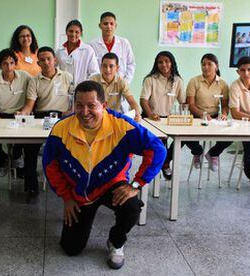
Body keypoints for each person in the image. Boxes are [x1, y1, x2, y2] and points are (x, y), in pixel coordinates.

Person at [42, 80, 165, 269]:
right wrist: (66, 197)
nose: (84, 112)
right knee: (71, 248)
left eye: (92, 105)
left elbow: (157, 149)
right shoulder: (61, 128)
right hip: (79, 193)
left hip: (112, 185)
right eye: (79, 105)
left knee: (132, 207)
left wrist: (136, 184)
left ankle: (116, 242)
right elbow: (50, 165)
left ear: (104, 105)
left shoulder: (122, 126)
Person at [18, 46, 73, 203]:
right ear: (38, 63)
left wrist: (70, 112)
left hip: (64, 117)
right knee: (29, 150)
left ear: (55, 60)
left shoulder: (67, 77)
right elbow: (29, 105)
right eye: (42, 60)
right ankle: (31, 188)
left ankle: (70, 186)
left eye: (49, 59)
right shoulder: (34, 81)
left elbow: (74, 101)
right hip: (41, 117)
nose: (46, 62)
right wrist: (22, 114)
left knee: (71, 150)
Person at [0, 48, 31, 177]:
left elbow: (34, 91)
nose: (9, 66)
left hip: (20, 114)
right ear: (0, 65)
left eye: (11, 63)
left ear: (15, 64)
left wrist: (24, 112)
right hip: (1, 115)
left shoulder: (25, 76)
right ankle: (2, 160)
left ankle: (17, 158)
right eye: (5, 63)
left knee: (23, 138)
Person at [140, 51, 184, 179]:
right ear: (156, 64)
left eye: (167, 61)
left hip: (170, 119)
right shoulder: (150, 79)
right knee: (159, 147)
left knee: (182, 139)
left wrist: (181, 116)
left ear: (172, 63)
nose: (163, 64)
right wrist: (151, 114)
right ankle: (159, 167)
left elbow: (183, 102)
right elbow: (143, 100)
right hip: (152, 118)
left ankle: (165, 161)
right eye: (160, 62)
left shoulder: (178, 80)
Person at [185, 53, 231, 172]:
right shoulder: (194, 81)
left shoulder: (223, 84)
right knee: (185, 137)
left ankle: (213, 154)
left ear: (217, 66)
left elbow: (225, 105)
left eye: (209, 64)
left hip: (215, 118)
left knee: (231, 136)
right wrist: (203, 115)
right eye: (203, 64)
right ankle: (197, 152)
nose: (206, 67)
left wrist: (224, 114)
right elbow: (191, 104)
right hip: (196, 116)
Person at [90, 53, 140, 121]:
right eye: (104, 66)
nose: (107, 69)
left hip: (115, 118)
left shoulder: (121, 82)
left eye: (111, 66)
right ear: (101, 66)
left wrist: (136, 113)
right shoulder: (93, 80)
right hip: (97, 117)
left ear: (117, 68)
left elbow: (132, 101)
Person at [89, 12, 136, 84]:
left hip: (120, 85)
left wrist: (125, 82)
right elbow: (91, 68)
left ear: (115, 25)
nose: (108, 26)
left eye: (111, 24)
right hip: (99, 86)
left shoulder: (124, 43)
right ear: (100, 25)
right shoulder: (92, 45)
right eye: (105, 24)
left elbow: (131, 64)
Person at [56, 19, 99, 86]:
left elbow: (94, 73)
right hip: (64, 88)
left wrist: (87, 87)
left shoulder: (88, 50)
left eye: (77, 32)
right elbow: (54, 70)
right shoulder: (60, 51)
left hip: (82, 89)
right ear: (66, 32)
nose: (73, 34)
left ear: (81, 33)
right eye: (71, 31)